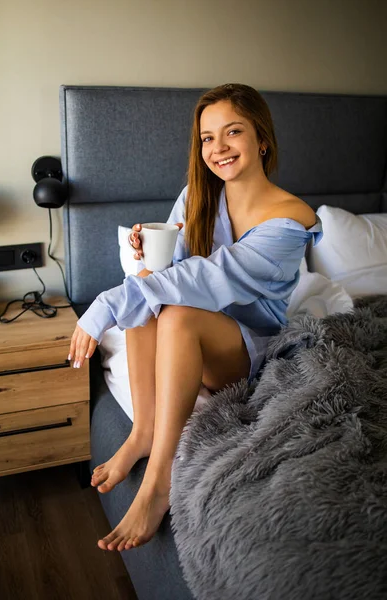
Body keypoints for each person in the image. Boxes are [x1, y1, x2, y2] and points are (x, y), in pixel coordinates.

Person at [67, 83, 323, 553]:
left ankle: (160, 483)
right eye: (207, 138)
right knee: (148, 301)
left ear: (261, 137)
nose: (218, 148)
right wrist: (147, 260)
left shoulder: (292, 218)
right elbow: (167, 277)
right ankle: (143, 431)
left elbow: (208, 277)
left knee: (176, 312)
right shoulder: (196, 196)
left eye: (233, 132)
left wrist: (105, 305)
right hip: (188, 337)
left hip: (245, 349)